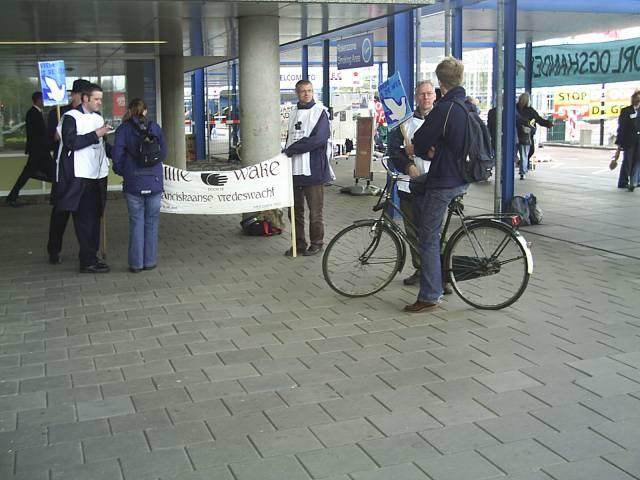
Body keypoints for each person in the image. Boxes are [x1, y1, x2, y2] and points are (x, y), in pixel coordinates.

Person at [407, 57, 471, 312]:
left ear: (440, 83)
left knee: (428, 239)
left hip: (445, 180)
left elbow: (421, 140)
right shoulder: (465, 106)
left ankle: (430, 294)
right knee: (415, 186)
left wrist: (417, 148)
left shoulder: (445, 109)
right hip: (460, 177)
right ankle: (439, 272)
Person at [56, 83, 112, 273]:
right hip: (80, 177)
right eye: (96, 99)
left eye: (101, 99)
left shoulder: (98, 118)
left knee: (96, 217)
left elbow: (103, 146)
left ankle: (91, 256)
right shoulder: (70, 117)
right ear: (85, 98)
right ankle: (87, 260)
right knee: (84, 220)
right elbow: (71, 142)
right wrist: (97, 133)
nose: (99, 102)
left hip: (98, 175)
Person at [387, 80, 436, 286]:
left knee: (435, 234)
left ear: (435, 95)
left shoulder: (442, 119)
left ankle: (440, 275)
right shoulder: (404, 122)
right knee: (413, 232)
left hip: (435, 186)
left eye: (429, 93)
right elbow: (394, 150)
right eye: (421, 94)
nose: (425, 97)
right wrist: (408, 166)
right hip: (409, 186)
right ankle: (420, 269)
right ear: (415, 97)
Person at [112, 98, 167, 272]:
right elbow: (163, 152)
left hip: (133, 182)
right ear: (145, 111)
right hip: (154, 181)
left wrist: (124, 172)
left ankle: (136, 264)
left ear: (129, 110)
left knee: (136, 222)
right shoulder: (155, 128)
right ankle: (149, 261)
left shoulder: (123, 130)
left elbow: (117, 156)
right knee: (152, 222)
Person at [283, 79, 334, 257]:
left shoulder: (320, 112)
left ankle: (317, 243)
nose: (307, 94)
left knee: (315, 211)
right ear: (297, 93)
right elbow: (290, 136)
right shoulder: (293, 112)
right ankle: (299, 244)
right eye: (303, 91)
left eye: (310, 90)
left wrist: (291, 150)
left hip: (313, 170)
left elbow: (318, 140)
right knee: (294, 211)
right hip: (294, 170)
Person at [46, 78, 91, 264]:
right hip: (64, 172)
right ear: (76, 95)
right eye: (84, 95)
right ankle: (54, 250)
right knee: (60, 213)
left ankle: (87, 253)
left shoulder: (90, 114)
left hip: (85, 171)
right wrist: (59, 131)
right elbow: (52, 139)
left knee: (85, 216)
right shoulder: (59, 113)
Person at [6, 92, 53, 207]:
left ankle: (12, 196)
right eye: (43, 99)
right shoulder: (33, 113)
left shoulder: (38, 113)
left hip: (40, 150)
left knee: (51, 174)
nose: (44, 102)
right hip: (39, 151)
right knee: (54, 174)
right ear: (37, 100)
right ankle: (57, 197)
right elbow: (37, 133)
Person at [516, 92, 553, 180]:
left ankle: (520, 164)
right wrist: (548, 124)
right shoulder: (530, 111)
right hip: (526, 134)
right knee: (527, 152)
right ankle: (522, 170)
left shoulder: (514, 108)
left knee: (518, 153)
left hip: (515, 133)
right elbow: (538, 119)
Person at [612, 90, 640, 191]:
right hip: (629, 140)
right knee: (628, 160)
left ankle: (635, 181)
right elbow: (622, 127)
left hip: (638, 140)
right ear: (633, 99)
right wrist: (619, 143)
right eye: (637, 97)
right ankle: (623, 181)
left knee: (637, 160)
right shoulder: (626, 110)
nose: (638, 99)